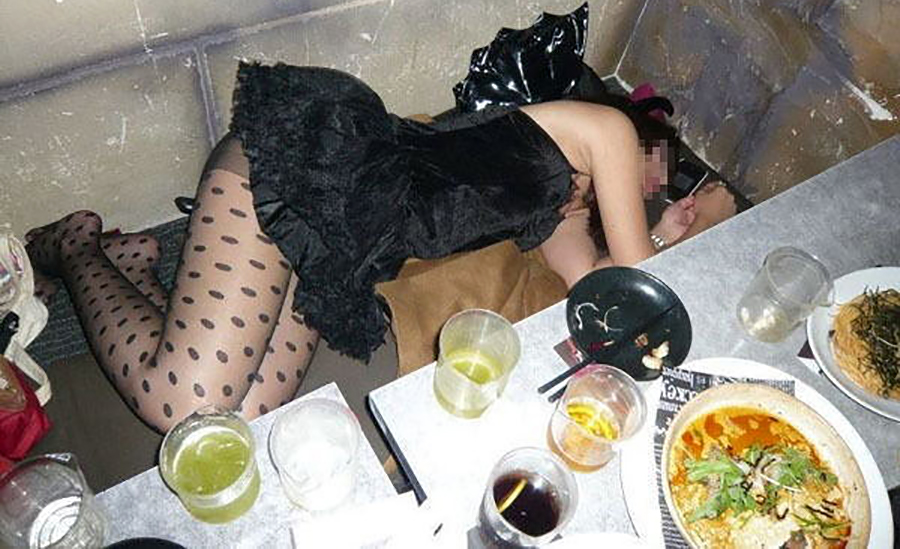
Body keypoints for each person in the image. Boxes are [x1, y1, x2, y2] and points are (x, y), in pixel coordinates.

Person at [26, 62, 735, 432]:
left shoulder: (566, 209)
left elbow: (599, 293)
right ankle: (77, 246)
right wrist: (699, 220)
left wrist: (662, 232)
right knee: (186, 404)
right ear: (643, 133)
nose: (654, 187)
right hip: (316, 173)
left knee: (238, 419)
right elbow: (639, 278)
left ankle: (131, 270)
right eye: (663, 168)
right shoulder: (603, 130)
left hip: (340, 245)